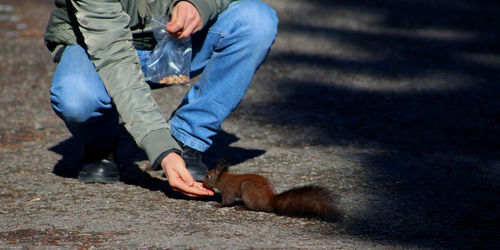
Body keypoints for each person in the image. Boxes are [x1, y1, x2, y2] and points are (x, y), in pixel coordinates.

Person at [44, 0, 278, 197]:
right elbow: (113, 55)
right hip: (98, 45)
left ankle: (187, 140)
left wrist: (199, 4)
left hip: (181, 40)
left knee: (256, 21)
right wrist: (162, 150)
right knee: (76, 96)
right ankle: (99, 144)